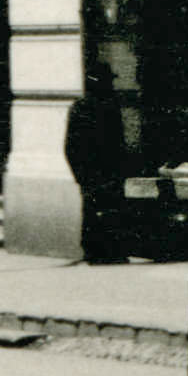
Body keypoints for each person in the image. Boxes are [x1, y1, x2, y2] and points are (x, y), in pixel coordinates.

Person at [64, 75, 132, 264]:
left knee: (93, 211)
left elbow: (70, 145)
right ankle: (108, 251)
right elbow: (118, 142)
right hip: (104, 170)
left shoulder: (80, 107)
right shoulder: (107, 107)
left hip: (93, 171)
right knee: (108, 210)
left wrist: (78, 174)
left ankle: (95, 251)